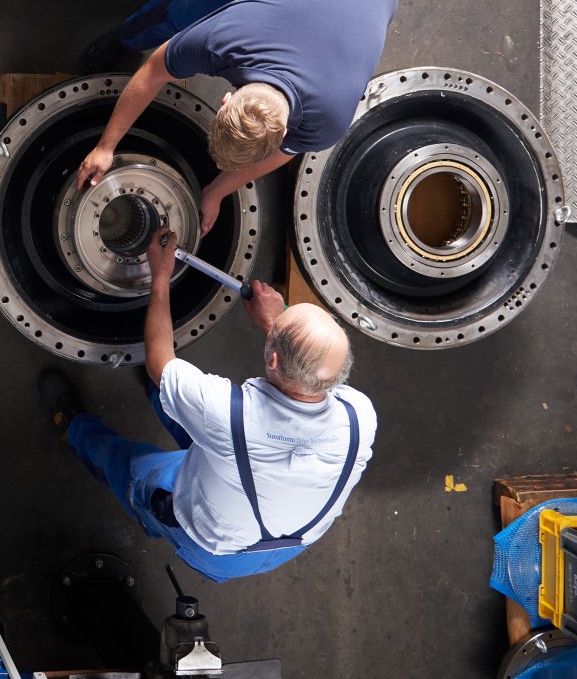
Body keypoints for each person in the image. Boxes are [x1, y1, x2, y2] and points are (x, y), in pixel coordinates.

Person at [38, 228, 377, 582]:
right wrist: (277, 327)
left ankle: (75, 428)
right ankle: (164, 396)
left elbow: (159, 361)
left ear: (274, 359)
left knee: (128, 466)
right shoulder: (360, 417)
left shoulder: (229, 414)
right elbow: (309, 371)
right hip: (286, 542)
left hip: (213, 543)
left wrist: (160, 277)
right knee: (208, 428)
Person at [75, 0, 396, 233]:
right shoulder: (222, 38)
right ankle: (125, 36)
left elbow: (283, 153)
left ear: (225, 100)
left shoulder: (329, 120)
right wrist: (106, 146)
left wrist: (216, 192)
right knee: (187, 13)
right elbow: (152, 71)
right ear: (226, 102)